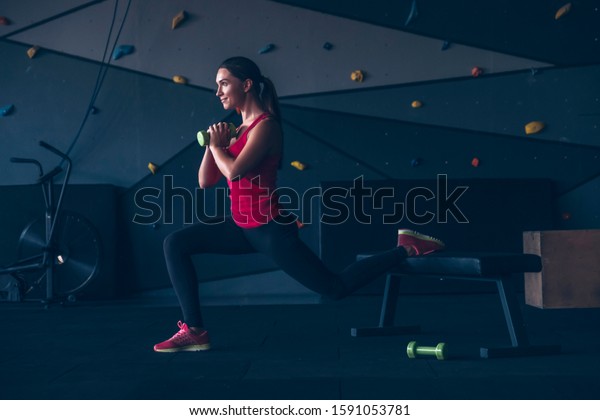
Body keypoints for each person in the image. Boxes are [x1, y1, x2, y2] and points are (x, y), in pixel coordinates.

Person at [153, 57, 445, 352]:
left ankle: (406, 247)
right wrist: (211, 145)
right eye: (217, 86)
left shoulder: (265, 127)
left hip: (269, 229)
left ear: (247, 84)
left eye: (224, 83)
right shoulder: (236, 130)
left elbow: (233, 171)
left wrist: (216, 146)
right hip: (240, 226)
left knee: (335, 288)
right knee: (175, 243)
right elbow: (205, 182)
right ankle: (195, 330)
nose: (218, 92)